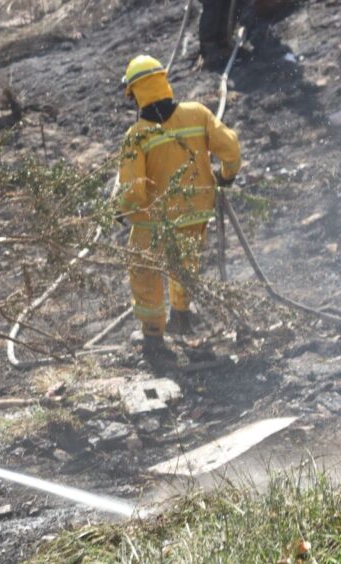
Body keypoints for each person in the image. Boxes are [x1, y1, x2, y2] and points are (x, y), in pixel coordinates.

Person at [117, 55, 241, 364]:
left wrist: (123, 210)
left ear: (135, 94)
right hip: (195, 210)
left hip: (154, 221)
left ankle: (153, 336)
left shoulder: (137, 135)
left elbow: (133, 190)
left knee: (145, 270)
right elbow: (230, 148)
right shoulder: (197, 113)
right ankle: (182, 316)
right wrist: (226, 176)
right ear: (164, 81)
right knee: (185, 262)